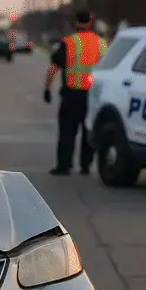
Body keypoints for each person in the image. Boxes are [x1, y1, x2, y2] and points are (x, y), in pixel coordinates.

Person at [43, 10, 108, 176]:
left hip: (72, 95)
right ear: (91, 22)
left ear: (75, 22)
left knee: (67, 131)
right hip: (94, 96)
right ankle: (85, 166)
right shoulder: (102, 44)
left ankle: (64, 166)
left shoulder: (69, 43)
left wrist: (47, 88)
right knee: (88, 130)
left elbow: (53, 67)